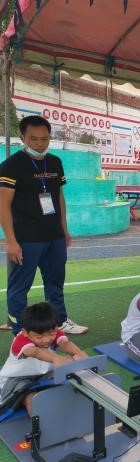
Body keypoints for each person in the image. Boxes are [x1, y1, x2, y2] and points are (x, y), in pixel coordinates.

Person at [0, 115, 87, 335]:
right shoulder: (11, 165)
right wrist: (11, 241)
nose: (40, 144)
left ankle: (60, 320)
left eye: (45, 139)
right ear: (23, 137)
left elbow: (59, 197)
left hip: (54, 236)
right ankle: (20, 330)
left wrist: (64, 229)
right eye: (34, 139)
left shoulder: (55, 162)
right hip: (26, 238)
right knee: (20, 287)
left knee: (55, 282)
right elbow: (3, 204)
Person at [0, 302, 87, 414]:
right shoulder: (20, 340)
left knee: (69, 378)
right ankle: (37, 417)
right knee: (31, 398)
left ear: (56, 328)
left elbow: (65, 343)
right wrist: (56, 358)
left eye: (51, 334)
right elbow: (36, 352)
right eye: (39, 337)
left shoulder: (55, 332)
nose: (46, 340)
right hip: (17, 378)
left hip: (43, 375)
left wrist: (79, 353)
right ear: (25, 332)